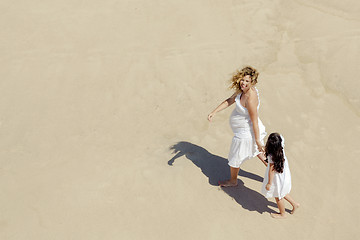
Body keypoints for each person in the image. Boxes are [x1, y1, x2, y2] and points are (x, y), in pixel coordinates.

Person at [208, 66, 267, 187]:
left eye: (247, 81)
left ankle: (233, 181)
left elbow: (254, 121)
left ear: (252, 83)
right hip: (244, 130)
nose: (243, 83)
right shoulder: (241, 91)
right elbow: (230, 100)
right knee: (259, 153)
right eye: (243, 80)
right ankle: (276, 170)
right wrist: (214, 112)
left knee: (235, 158)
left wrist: (257, 140)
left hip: (246, 134)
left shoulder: (251, 99)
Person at [261, 132, 300, 218]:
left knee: (278, 195)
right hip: (283, 173)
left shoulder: (272, 156)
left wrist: (269, 183)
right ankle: (295, 204)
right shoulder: (280, 146)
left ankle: (283, 214)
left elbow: (271, 170)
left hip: (277, 178)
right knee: (282, 191)